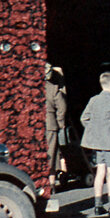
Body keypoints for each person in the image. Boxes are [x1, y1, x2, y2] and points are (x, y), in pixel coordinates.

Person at [81, 71, 110, 216]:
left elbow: (84, 118)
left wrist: (95, 130)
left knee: (100, 172)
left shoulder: (94, 100)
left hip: (98, 143)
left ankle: (98, 205)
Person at [45, 62, 68, 192]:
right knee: (51, 154)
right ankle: (51, 184)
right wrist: (59, 122)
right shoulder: (53, 88)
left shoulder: (30, 88)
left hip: (34, 126)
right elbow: (62, 107)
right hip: (50, 124)